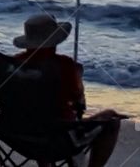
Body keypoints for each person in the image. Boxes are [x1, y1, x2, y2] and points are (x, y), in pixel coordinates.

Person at [12, 14, 124, 167]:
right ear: (54, 41)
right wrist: (77, 77)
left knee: (38, 118)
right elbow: (79, 103)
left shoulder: (12, 65)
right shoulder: (64, 66)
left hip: (18, 136)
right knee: (111, 119)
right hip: (58, 138)